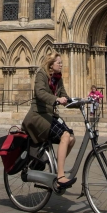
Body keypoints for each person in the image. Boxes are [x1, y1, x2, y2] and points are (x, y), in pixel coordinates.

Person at [23, 53, 76, 190]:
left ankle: (57, 167)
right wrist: (56, 99)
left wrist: (79, 102)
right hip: (38, 115)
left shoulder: (58, 79)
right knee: (65, 135)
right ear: (51, 64)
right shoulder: (41, 73)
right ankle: (60, 177)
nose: (61, 65)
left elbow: (64, 95)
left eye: (62, 62)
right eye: (59, 62)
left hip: (50, 115)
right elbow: (40, 93)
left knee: (71, 138)